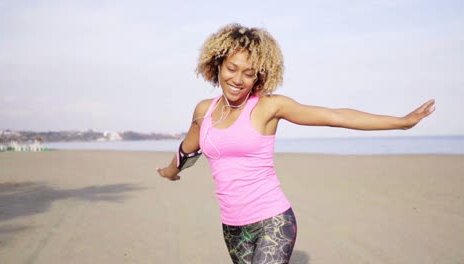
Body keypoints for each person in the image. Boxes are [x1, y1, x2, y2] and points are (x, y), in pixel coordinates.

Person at [156, 23, 435, 264]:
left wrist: (401, 122)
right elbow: (189, 149)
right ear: (217, 64)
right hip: (232, 226)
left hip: (273, 220)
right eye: (232, 68)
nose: (238, 79)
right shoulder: (204, 111)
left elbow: (334, 116)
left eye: (249, 73)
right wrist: (172, 171)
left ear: (259, 76)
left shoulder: (268, 107)